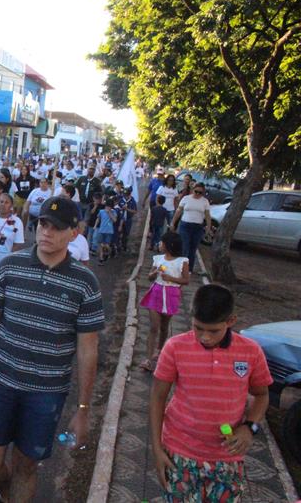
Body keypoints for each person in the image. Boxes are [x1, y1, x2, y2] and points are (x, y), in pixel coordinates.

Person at [0, 196, 104, 503]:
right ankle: (7, 494)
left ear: (74, 233)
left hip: (47, 393)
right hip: (0, 383)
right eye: (42, 224)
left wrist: (82, 410)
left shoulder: (85, 282)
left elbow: (88, 350)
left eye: (56, 227)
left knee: (26, 466)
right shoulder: (9, 266)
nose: (46, 232)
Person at [150, 284, 271, 502]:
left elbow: (261, 395)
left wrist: (249, 427)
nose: (204, 337)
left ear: (231, 321)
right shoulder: (175, 347)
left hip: (227, 459)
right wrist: (157, 449)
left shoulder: (251, 351)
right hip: (179, 453)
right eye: (198, 328)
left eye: (213, 330)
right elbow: (157, 398)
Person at [138, 232, 189, 372]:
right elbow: (149, 277)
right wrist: (154, 274)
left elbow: (186, 280)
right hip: (156, 293)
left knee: (164, 326)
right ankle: (148, 359)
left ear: (169, 245)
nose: (159, 245)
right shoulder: (158, 259)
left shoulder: (182, 261)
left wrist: (171, 279)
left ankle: (160, 350)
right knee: (154, 326)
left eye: (162, 243)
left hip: (171, 294)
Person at [171, 182, 212, 273]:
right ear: (193, 190)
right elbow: (178, 211)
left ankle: (189, 269)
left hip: (197, 227)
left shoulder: (205, 201)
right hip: (185, 225)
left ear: (203, 192)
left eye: (200, 193)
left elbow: (207, 215)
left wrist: (208, 227)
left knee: (193, 249)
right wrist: (173, 222)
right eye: (196, 191)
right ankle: (180, 267)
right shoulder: (186, 199)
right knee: (184, 247)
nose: (197, 194)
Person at [95, 198, 117, 264]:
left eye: (109, 206)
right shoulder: (101, 211)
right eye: (107, 206)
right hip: (101, 230)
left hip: (109, 231)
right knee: (101, 245)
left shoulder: (114, 212)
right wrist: (95, 225)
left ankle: (109, 252)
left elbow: (114, 220)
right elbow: (98, 219)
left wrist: (109, 212)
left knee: (107, 245)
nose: (108, 207)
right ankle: (101, 259)